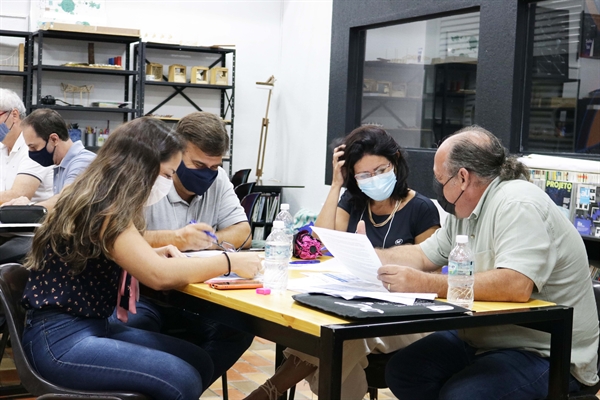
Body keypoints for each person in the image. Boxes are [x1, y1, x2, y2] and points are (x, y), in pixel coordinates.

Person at [21, 117, 261, 399]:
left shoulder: (104, 196)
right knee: (181, 379)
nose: (168, 183)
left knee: (198, 361)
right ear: (140, 167)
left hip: (89, 325)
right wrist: (229, 262)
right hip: (61, 339)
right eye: (168, 175)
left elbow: (121, 253)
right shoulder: (103, 207)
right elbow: (159, 276)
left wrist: (153, 253)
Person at [378, 125, 599, 399]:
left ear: (462, 177)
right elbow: (423, 255)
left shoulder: (517, 203)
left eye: (440, 179)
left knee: (463, 396)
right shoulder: (464, 210)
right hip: (486, 337)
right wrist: (372, 257)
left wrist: (426, 283)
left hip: (544, 349)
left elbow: (516, 285)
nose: (437, 188)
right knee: (404, 371)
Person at [246, 125, 441, 400]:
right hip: (359, 301)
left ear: (395, 161)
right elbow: (322, 241)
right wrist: (336, 184)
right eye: (364, 174)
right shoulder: (354, 200)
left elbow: (430, 267)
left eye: (380, 170)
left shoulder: (421, 208)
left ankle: (267, 392)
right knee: (335, 331)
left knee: (345, 336)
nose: (373, 179)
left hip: (408, 316)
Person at [113, 111, 254, 386]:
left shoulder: (218, 178)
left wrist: (206, 244)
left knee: (239, 328)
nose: (208, 174)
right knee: (134, 328)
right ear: (175, 154)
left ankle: (182, 387)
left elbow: (243, 231)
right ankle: (174, 384)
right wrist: (178, 239)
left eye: (215, 167)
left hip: (197, 292)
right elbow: (122, 237)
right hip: (146, 294)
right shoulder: (149, 178)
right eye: (199, 165)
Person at [4, 108, 96, 211]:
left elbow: (65, 200)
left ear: (54, 139)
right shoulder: (60, 166)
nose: (31, 153)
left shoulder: (83, 162)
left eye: (34, 147)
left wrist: (29, 207)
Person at [0, 89, 53, 264]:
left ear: (13, 115)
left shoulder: (33, 146)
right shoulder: (1, 148)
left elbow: (17, 195)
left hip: (30, 233)